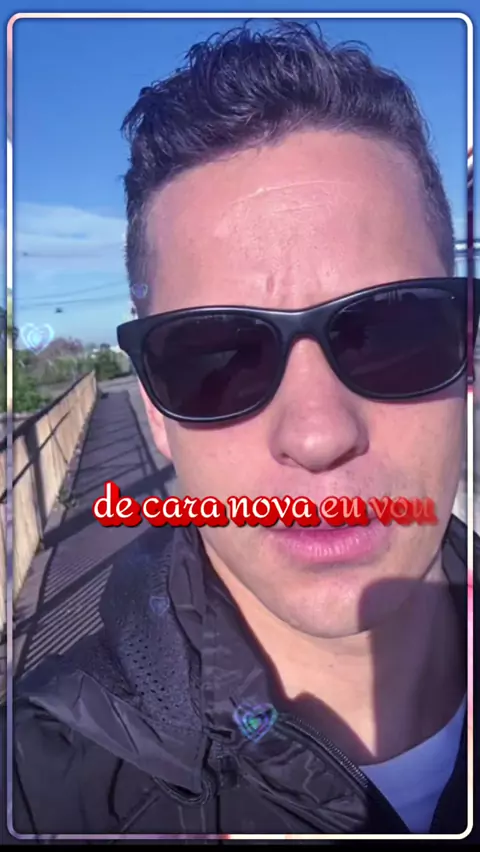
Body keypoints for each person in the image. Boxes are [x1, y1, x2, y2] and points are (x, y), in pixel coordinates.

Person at [4, 22, 479, 841]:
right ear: (155, 412)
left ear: (466, 355)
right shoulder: (37, 793)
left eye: (390, 331)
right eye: (216, 359)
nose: (319, 435)